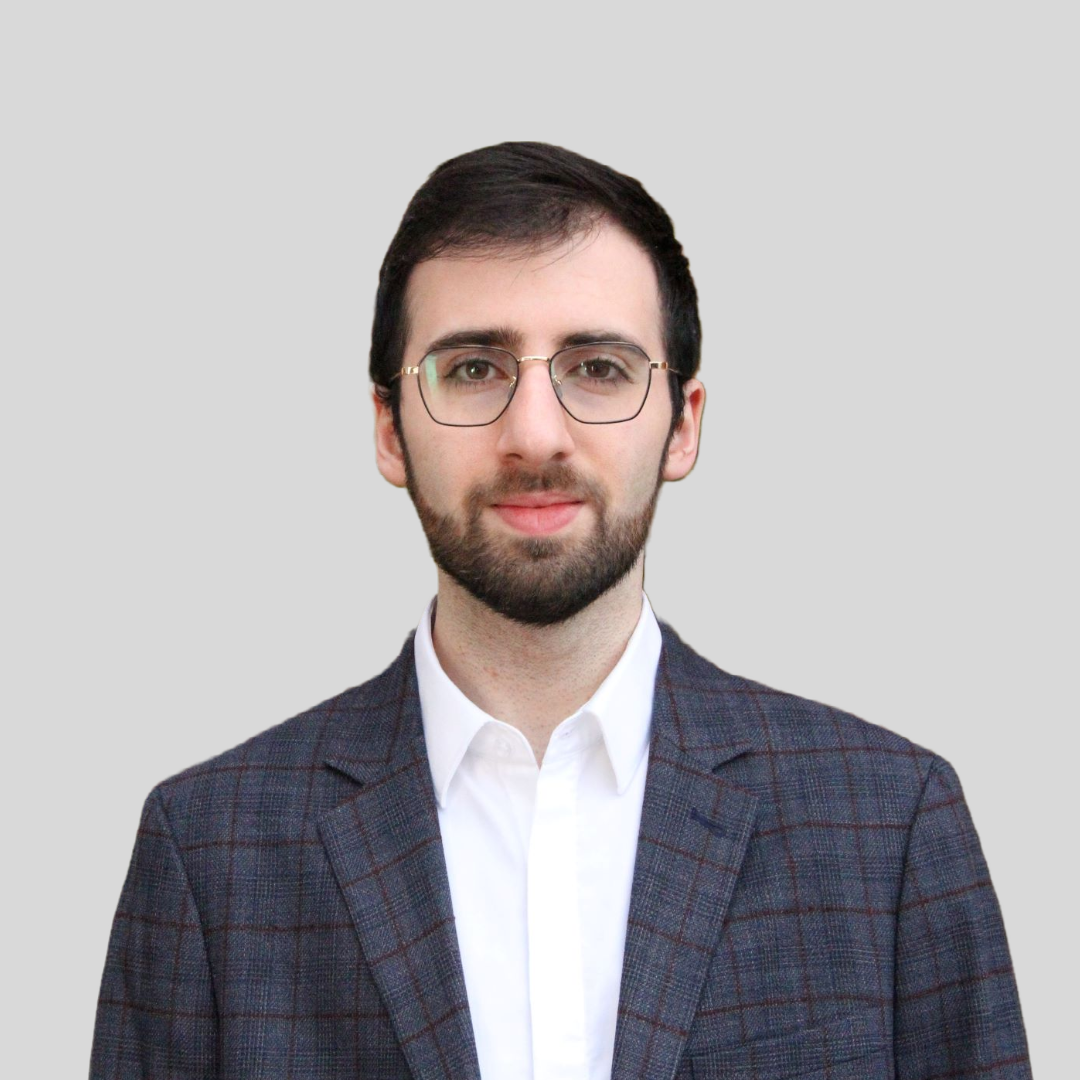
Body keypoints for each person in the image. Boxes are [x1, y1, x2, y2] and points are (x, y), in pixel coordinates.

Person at [89, 142, 1032, 1080]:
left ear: (684, 423)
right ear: (388, 429)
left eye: (599, 368)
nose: (535, 435)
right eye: (472, 370)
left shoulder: (891, 825)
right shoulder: (208, 852)